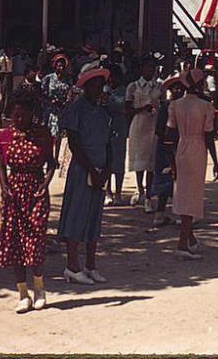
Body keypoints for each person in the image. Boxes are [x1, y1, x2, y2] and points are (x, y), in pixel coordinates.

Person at [0, 91, 55, 313]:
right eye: (15, 115)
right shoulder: (4, 136)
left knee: (35, 239)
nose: (19, 119)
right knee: (15, 243)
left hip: (36, 191)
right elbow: (1, 165)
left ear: (32, 114)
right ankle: (23, 294)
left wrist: (45, 184)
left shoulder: (42, 135)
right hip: (14, 192)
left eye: (24, 115)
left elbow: (51, 163)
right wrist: (3, 187)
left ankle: (39, 289)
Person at [57, 66, 113, 285]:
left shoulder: (102, 112)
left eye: (101, 85)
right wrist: (90, 169)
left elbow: (108, 143)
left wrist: (106, 169)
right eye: (95, 85)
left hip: (99, 171)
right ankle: (72, 265)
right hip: (82, 170)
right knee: (76, 216)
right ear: (86, 86)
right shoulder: (77, 109)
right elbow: (74, 142)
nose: (99, 90)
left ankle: (91, 264)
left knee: (94, 218)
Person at [166, 68, 218, 260]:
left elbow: (169, 135)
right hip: (198, 148)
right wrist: (215, 161)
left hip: (181, 147)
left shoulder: (175, 105)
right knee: (193, 194)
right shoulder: (206, 106)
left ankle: (190, 237)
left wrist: (171, 160)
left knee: (183, 191)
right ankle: (182, 242)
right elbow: (209, 136)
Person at [126, 56, 163, 212]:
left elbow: (163, 105)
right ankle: (139, 188)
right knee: (139, 160)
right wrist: (142, 109)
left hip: (153, 126)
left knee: (151, 162)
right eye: (147, 67)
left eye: (152, 68)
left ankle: (148, 194)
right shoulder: (133, 87)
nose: (149, 70)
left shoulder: (159, 87)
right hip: (138, 125)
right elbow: (127, 109)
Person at [150, 75, 185, 227]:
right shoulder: (166, 108)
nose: (177, 90)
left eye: (180, 88)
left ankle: (178, 213)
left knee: (180, 181)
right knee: (165, 180)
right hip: (165, 148)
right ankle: (159, 213)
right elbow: (158, 130)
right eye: (174, 88)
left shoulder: (184, 107)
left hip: (181, 146)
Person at [41, 54, 74, 169]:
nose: (61, 68)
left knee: (59, 135)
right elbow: (42, 93)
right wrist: (51, 101)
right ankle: (48, 156)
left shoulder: (68, 79)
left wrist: (66, 102)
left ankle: (55, 157)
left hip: (61, 110)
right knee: (50, 135)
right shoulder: (48, 78)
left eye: (63, 66)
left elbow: (70, 92)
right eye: (59, 65)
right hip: (50, 110)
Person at [104, 66, 128, 206]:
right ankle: (108, 192)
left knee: (119, 161)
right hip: (106, 127)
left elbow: (124, 107)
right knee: (107, 160)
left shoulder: (124, 91)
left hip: (120, 127)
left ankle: (118, 192)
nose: (112, 80)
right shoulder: (104, 90)